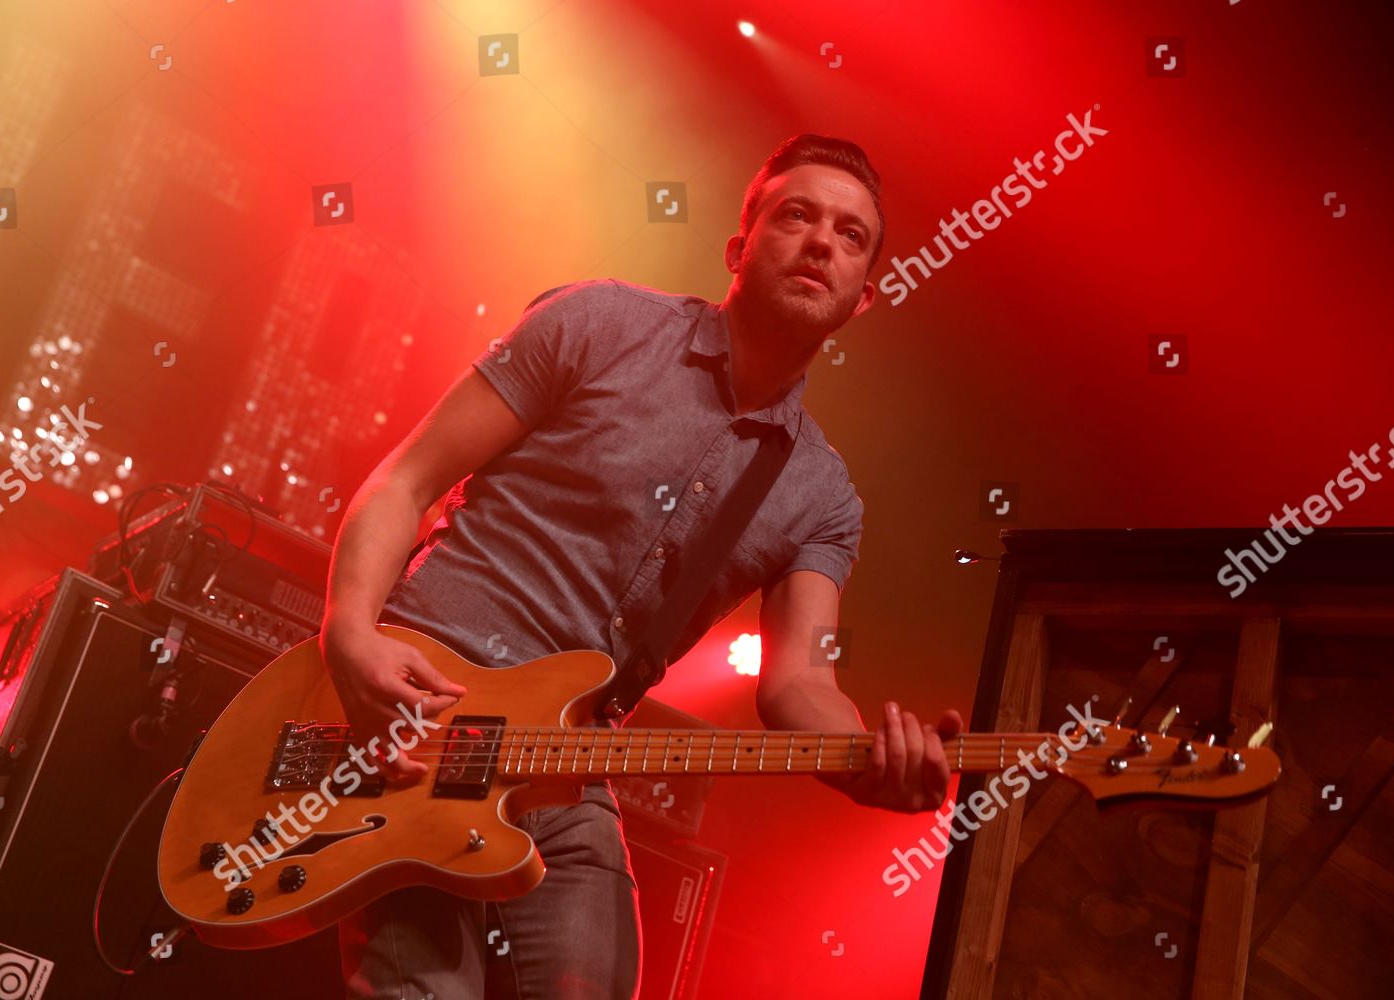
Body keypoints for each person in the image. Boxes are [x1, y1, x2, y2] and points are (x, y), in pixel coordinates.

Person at [319, 133, 965, 1000]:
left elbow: (797, 682)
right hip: (418, 700)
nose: (821, 242)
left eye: (851, 236)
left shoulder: (822, 494)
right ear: (739, 249)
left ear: (864, 296)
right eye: (797, 215)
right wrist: (349, 636)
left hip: (565, 761)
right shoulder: (600, 323)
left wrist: (865, 760)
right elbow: (408, 480)